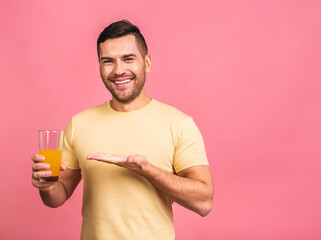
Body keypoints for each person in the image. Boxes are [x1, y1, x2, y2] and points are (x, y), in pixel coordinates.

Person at [31, 19, 214, 240]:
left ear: (146, 63)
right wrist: (48, 186)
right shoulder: (80, 123)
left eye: (128, 59)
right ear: (99, 67)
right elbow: (58, 198)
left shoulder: (179, 124)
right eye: (108, 61)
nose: (118, 70)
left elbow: (204, 203)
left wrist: (147, 170)